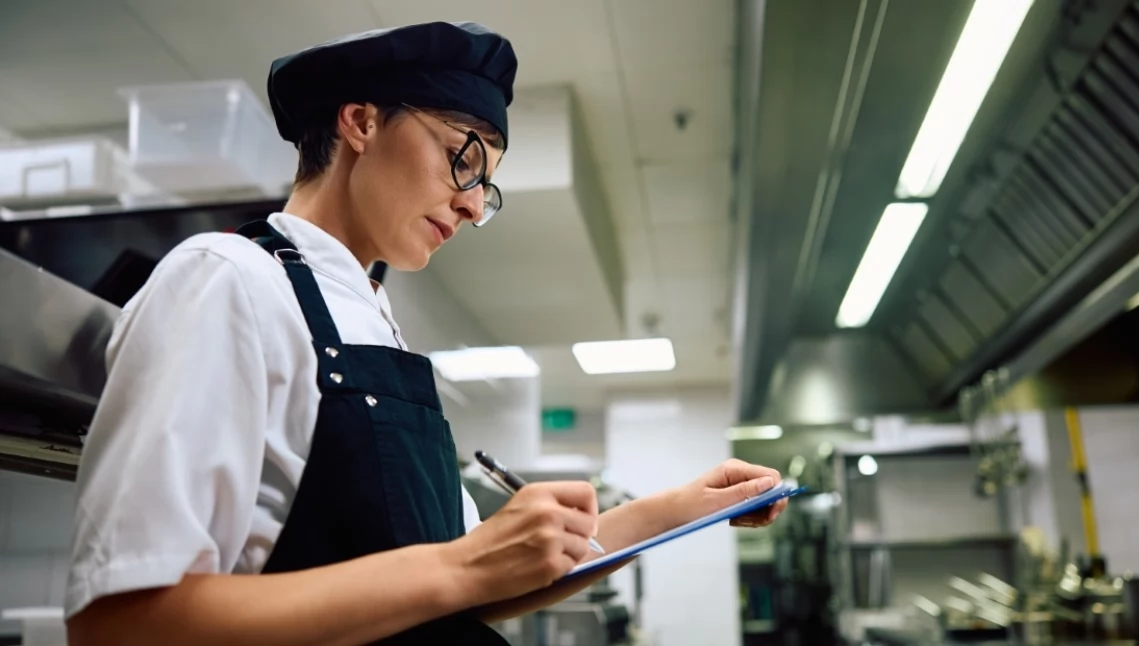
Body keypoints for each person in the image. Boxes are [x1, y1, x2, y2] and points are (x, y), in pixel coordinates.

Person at [63, 21, 788, 646]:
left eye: (486, 184)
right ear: (362, 122)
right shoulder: (226, 279)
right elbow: (120, 622)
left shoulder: (374, 322)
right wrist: (463, 567)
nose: (473, 207)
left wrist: (680, 510)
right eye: (462, 157)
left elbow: (470, 575)